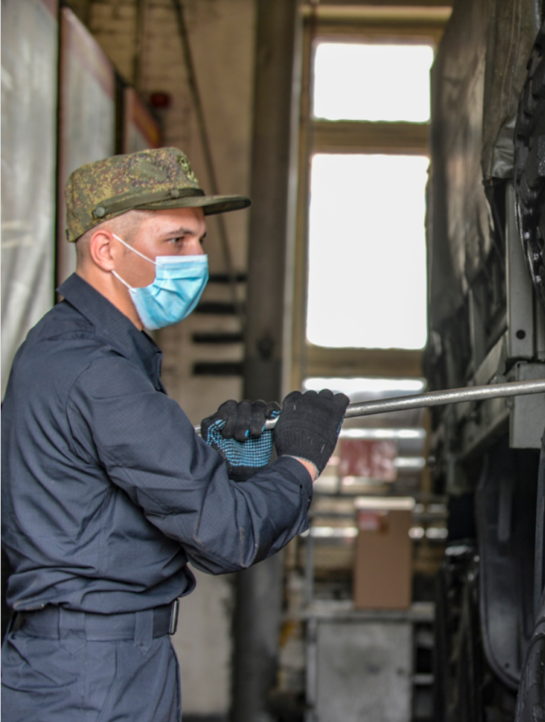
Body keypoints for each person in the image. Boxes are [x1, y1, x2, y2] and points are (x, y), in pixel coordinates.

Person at [0, 148, 349, 721]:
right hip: (96, 674)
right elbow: (225, 534)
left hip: (82, 658)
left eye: (200, 241)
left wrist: (221, 458)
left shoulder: (65, 348)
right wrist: (300, 463)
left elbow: (103, 494)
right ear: (106, 249)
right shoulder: (99, 369)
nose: (198, 259)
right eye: (177, 242)